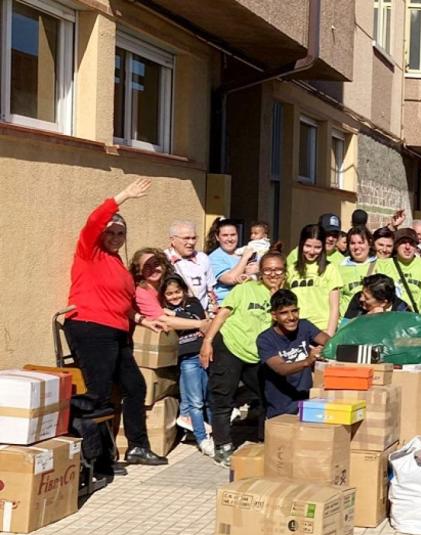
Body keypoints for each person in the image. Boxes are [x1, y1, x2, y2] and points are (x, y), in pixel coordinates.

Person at [65, 178, 168, 467]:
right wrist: (124, 196)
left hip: (117, 332)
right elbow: (94, 221)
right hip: (91, 327)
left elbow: (121, 302)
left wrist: (143, 320)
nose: (115, 237)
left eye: (120, 233)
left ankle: (137, 447)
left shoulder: (117, 265)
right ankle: (92, 458)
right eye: (110, 232)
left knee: (134, 387)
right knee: (97, 393)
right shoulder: (90, 253)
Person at [200, 252, 287, 465]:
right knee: (222, 396)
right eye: (268, 270)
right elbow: (222, 314)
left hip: (257, 354)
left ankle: (264, 440)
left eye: (277, 270)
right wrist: (208, 341)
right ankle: (222, 445)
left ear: (284, 272)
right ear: (260, 271)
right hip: (230, 345)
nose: (272, 274)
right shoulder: (245, 288)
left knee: (268, 395)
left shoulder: (285, 295)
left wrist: (277, 295)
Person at [159, 274, 213, 457]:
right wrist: (183, 321)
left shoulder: (193, 302)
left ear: (183, 290)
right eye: (169, 294)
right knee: (196, 402)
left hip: (205, 354)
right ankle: (202, 438)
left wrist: (175, 315)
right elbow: (168, 324)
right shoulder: (162, 310)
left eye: (177, 292)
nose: (174, 296)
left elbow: (200, 319)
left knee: (207, 398)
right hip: (187, 358)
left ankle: (211, 433)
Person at [257, 289, 330, 419]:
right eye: (284, 313)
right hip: (281, 407)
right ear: (274, 316)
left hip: (307, 401)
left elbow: (330, 342)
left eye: (294, 311)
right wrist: (308, 361)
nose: (291, 317)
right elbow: (281, 368)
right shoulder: (265, 339)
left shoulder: (305, 326)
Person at [287, 225, 342, 335]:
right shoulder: (291, 269)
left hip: (322, 329)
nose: (312, 251)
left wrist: (328, 336)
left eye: (317, 247)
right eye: (307, 246)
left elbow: (335, 308)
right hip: (297, 331)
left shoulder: (330, 269)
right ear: (301, 244)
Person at [377, 228, 421, 313]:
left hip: (417, 319)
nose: (408, 247)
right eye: (403, 243)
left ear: (416, 246)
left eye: (411, 243)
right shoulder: (382, 265)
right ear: (396, 245)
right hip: (391, 319)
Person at [166, 220, 217, 311]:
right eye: (186, 238)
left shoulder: (203, 258)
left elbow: (210, 290)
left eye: (194, 238)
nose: (191, 242)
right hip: (174, 317)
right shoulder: (164, 259)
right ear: (173, 240)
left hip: (200, 315)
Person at [206, 219, 256, 303]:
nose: (230, 239)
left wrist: (258, 270)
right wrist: (244, 258)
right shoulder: (214, 257)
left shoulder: (243, 251)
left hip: (248, 302)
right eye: (225, 235)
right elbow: (230, 279)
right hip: (226, 305)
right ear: (217, 237)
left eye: (233, 235)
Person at [337, 226, 378, 317]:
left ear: (370, 243)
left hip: (373, 321)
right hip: (348, 323)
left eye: (361, 242)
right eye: (352, 243)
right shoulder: (340, 267)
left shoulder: (380, 265)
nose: (356, 247)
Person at [344, 273, 411, 318]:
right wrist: (367, 317)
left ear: (383, 303)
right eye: (362, 294)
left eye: (367, 298)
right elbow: (345, 329)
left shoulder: (402, 310)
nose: (361, 299)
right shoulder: (358, 298)